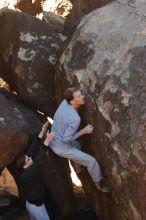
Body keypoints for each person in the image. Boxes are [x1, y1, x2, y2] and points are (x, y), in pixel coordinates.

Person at [47, 87, 110, 193]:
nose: (83, 97)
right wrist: (83, 131)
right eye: (79, 96)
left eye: (81, 94)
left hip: (53, 138)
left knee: (76, 145)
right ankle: (98, 183)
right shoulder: (75, 119)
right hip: (61, 146)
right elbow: (66, 140)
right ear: (72, 101)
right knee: (92, 162)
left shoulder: (64, 102)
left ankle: (77, 166)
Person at [16, 122, 55, 220]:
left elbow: (32, 150)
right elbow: (39, 160)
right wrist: (47, 140)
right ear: (25, 166)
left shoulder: (23, 168)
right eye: (28, 159)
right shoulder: (28, 174)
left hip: (29, 204)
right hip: (36, 207)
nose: (30, 158)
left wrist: (42, 132)